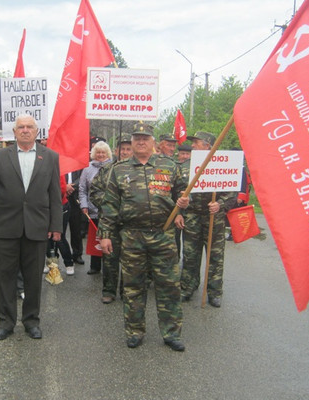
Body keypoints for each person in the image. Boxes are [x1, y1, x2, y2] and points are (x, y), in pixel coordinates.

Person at [0, 114, 62, 341]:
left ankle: (31, 321)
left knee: (33, 278)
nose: (25, 130)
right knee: (5, 277)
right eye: (20, 127)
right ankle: (6, 322)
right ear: (14, 132)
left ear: (36, 131)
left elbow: (54, 195)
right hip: (6, 226)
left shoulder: (50, 156)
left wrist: (56, 225)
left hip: (36, 226)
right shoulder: (1, 156)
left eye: (29, 126)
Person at [99, 123, 189, 350]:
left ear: (153, 142)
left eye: (145, 138)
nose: (140, 141)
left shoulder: (169, 166)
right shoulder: (119, 170)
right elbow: (109, 205)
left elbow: (183, 192)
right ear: (131, 142)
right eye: (136, 138)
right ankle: (135, 331)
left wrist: (185, 203)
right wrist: (106, 235)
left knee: (168, 285)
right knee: (133, 286)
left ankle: (171, 333)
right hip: (132, 236)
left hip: (163, 235)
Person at [175, 131, 235, 308]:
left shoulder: (223, 165)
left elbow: (232, 193)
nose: (192, 146)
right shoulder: (185, 166)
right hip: (192, 217)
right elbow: (177, 190)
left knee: (215, 257)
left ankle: (214, 292)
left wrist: (220, 204)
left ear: (208, 145)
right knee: (190, 255)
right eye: (192, 143)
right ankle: (187, 287)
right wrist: (179, 209)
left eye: (197, 143)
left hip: (213, 219)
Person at [90, 133, 133, 303]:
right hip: (109, 221)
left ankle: (126, 290)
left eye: (128, 149)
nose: (125, 152)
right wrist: (111, 204)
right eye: (122, 149)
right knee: (109, 258)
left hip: (130, 223)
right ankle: (109, 290)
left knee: (130, 258)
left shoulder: (138, 169)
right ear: (116, 150)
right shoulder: (107, 169)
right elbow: (94, 192)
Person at [79, 141, 112, 275]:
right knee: (95, 238)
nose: (100, 155)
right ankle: (95, 266)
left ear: (107, 154)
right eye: (98, 152)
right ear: (94, 153)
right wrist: (84, 205)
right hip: (92, 210)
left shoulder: (113, 168)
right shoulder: (87, 169)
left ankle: (109, 266)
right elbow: (82, 189)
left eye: (103, 152)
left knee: (108, 237)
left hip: (109, 211)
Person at [175, 143, 192, 257]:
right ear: (178, 155)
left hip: (191, 211)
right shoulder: (173, 166)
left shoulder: (196, 167)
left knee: (190, 245)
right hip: (175, 211)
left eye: (187, 154)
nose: (185, 156)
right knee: (174, 241)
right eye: (182, 154)